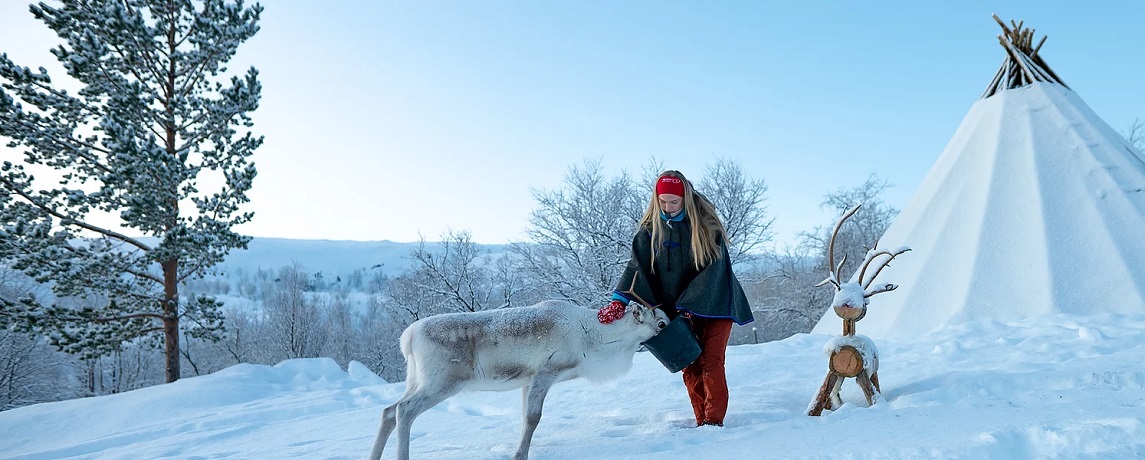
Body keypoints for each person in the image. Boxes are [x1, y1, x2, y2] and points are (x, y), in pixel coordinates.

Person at [607, 170, 754, 428]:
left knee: (710, 360)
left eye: (674, 202)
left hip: (717, 303)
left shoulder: (706, 227)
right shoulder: (649, 232)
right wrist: (619, 300)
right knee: (690, 362)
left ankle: (713, 423)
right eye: (662, 201)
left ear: (685, 198)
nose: (668, 207)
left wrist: (689, 305)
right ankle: (702, 421)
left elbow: (715, 271)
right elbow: (636, 267)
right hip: (679, 309)